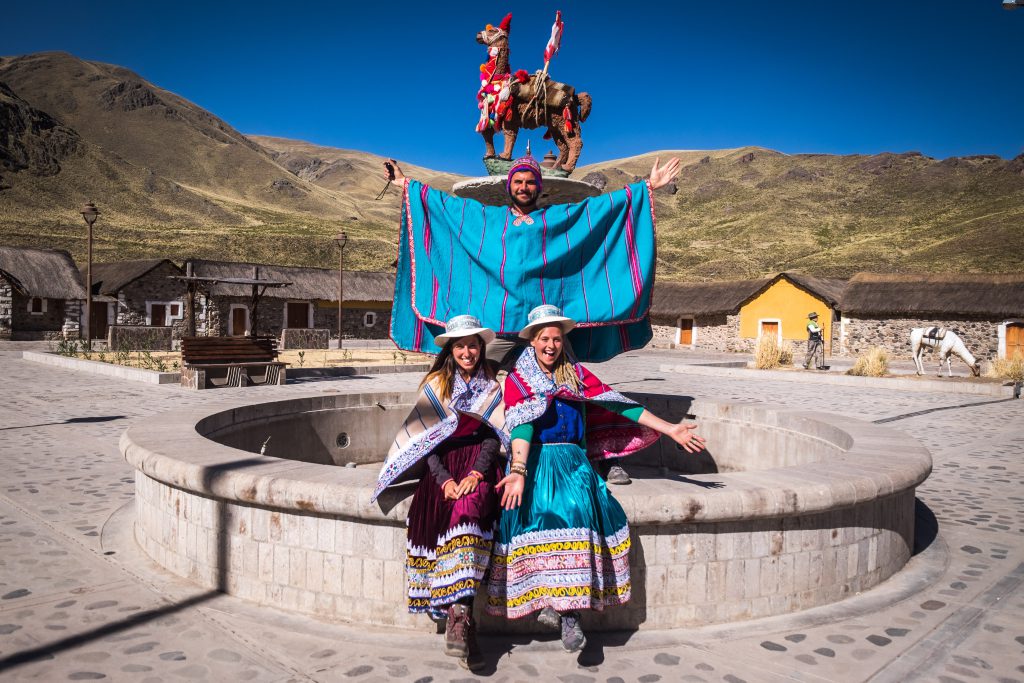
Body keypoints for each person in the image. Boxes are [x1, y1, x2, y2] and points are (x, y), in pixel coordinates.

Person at [485, 305, 706, 653]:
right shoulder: (519, 380)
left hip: (573, 462)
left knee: (578, 511)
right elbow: (523, 426)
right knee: (534, 513)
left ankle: (569, 614)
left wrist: (670, 430)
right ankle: (547, 600)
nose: (551, 345)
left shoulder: (575, 375)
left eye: (557, 339)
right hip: (537, 460)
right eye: (544, 338)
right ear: (532, 341)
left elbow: (620, 405)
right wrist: (518, 471)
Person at [384, 154, 681, 364]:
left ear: (538, 186)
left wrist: (647, 187)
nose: (523, 187)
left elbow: (601, 209)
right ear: (509, 185)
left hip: (544, 328)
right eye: (518, 182)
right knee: (479, 380)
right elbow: (446, 207)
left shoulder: (557, 218)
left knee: (564, 384)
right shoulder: (488, 219)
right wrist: (406, 184)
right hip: (499, 323)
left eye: (529, 182)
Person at [372, 314, 508, 671]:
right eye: (460, 345)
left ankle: (460, 617)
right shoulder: (436, 384)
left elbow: (494, 435)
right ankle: (462, 620)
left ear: (482, 347)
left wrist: (478, 473)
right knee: (442, 511)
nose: (468, 352)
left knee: (470, 512)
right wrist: (445, 479)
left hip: (479, 463)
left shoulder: (492, 383)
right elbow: (425, 441)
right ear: (451, 349)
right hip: (442, 466)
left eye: (473, 345)